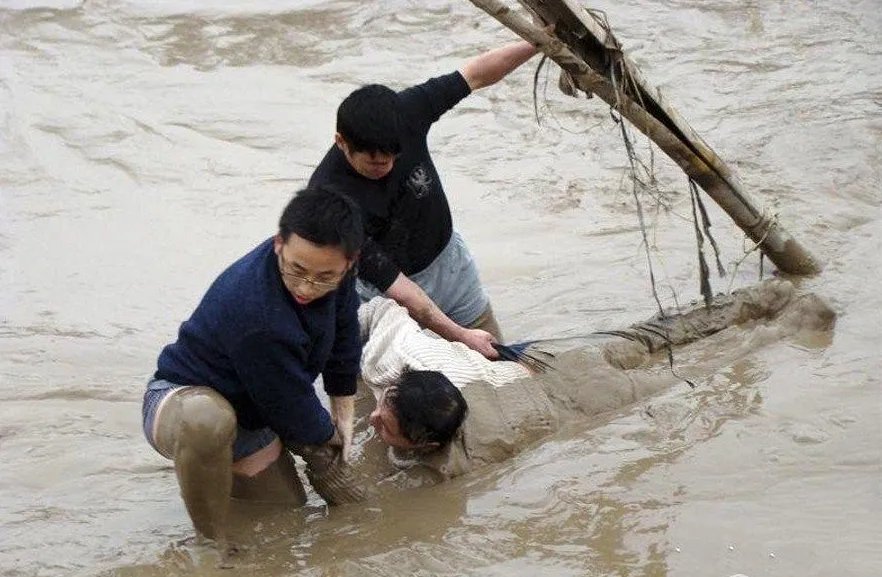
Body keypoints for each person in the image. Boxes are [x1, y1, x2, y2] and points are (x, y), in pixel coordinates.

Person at [357, 280, 836, 478]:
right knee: (657, 336)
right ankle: (766, 297)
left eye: (383, 416)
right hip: (548, 362)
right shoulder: (402, 353)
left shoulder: (458, 463)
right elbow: (381, 308)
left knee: (694, 370)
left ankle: (789, 325)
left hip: (579, 399)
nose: (374, 416)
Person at [141, 187, 367, 556]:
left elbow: (344, 334)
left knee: (285, 522)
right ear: (279, 243)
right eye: (296, 270)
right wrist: (327, 441)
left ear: (350, 262)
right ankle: (211, 549)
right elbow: (291, 404)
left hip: (255, 416)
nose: (307, 287)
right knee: (207, 420)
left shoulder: (335, 275)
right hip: (180, 401)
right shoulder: (255, 311)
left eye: (325, 277)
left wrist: (344, 409)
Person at [308, 39, 542, 360]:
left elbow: (476, 74)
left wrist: (541, 42)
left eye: (392, 159)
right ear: (341, 142)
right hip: (384, 296)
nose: (385, 168)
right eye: (374, 164)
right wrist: (460, 337)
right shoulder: (330, 203)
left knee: (496, 362)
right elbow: (401, 291)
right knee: (400, 393)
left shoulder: (406, 112)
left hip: (449, 263)